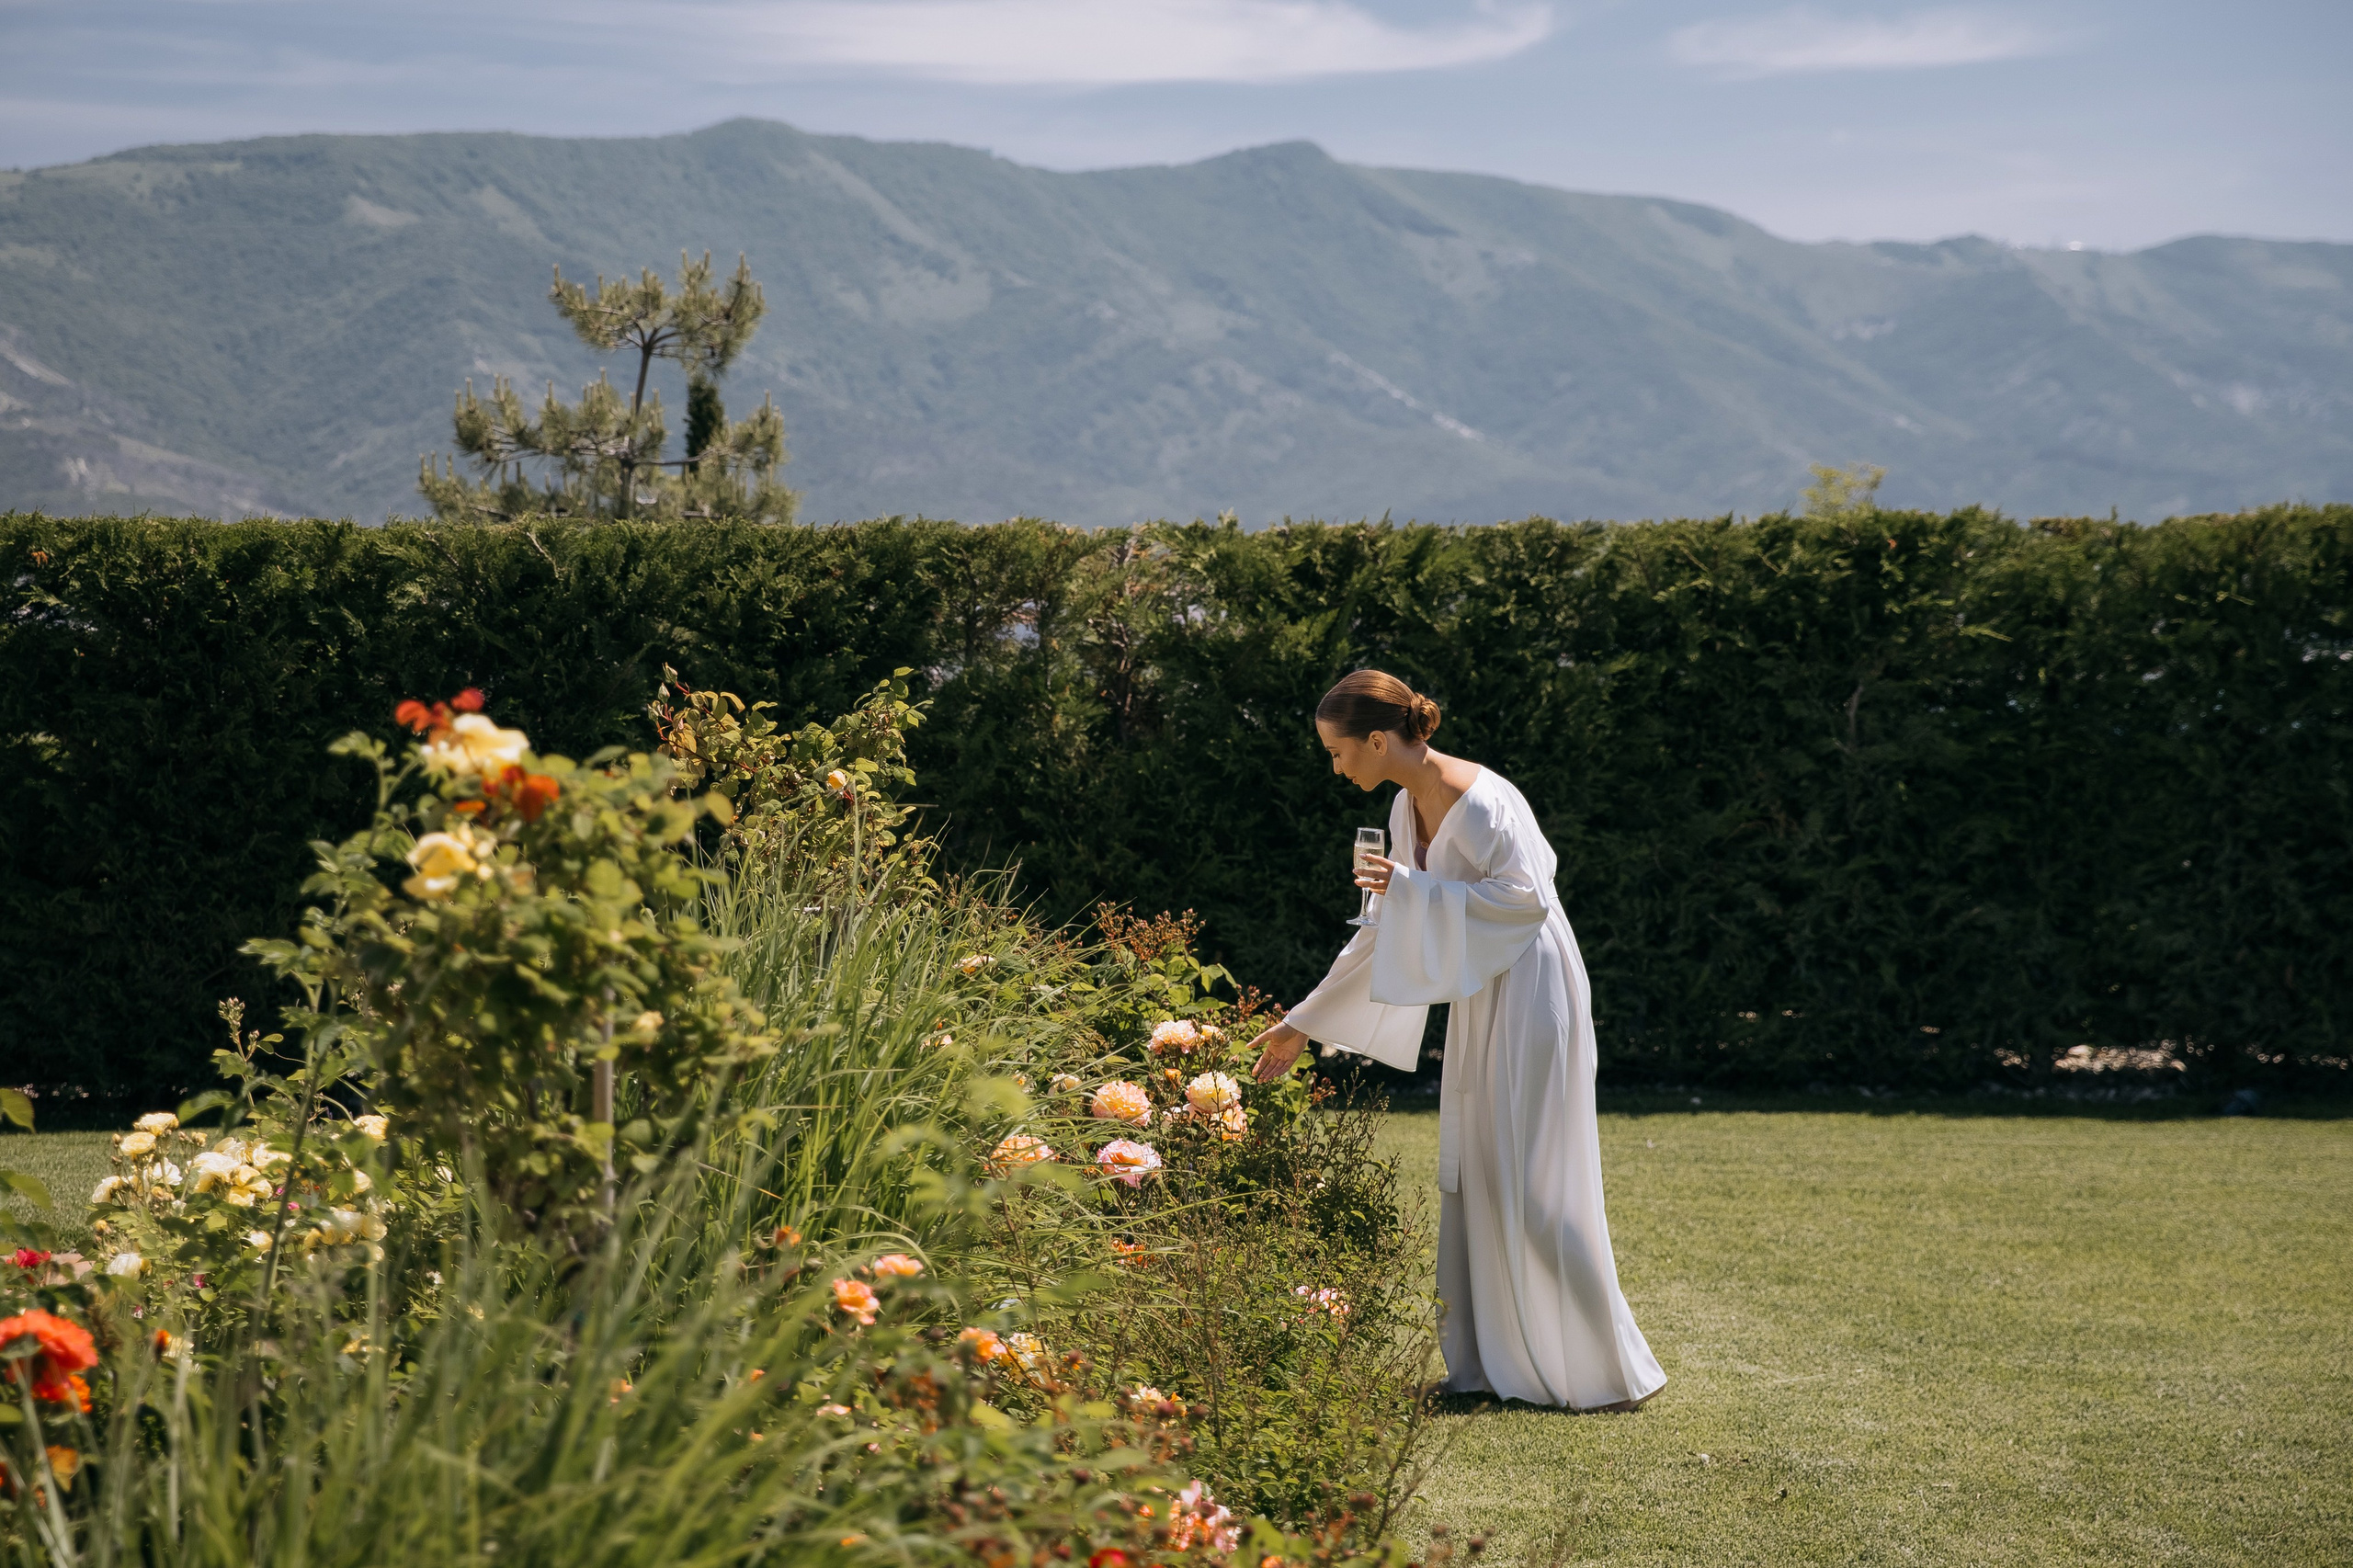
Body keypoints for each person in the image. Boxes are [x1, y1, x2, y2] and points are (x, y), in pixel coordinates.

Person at [1249, 670, 1666, 1412]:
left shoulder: (1486, 801)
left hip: (1534, 989)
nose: (1335, 766)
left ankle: (1607, 1373)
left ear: (1378, 740)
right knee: (1474, 1170)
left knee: (1535, 1182)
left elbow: (1528, 900)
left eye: (1338, 751)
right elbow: (1382, 931)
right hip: (1484, 995)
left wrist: (1412, 891)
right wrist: (1300, 1023)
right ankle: (1487, 1368)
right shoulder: (1407, 807)